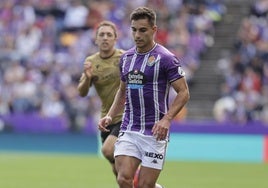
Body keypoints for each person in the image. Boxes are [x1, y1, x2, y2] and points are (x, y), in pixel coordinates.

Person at [98, 7, 190, 188]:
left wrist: (167, 119)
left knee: (144, 185)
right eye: (134, 30)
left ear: (154, 30)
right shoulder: (126, 58)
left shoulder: (166, 58)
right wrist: (110, 115)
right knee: (124, 178)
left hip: (154, 132)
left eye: (142, 30)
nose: (137, 35)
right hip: (129, 128)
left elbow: (184, 92)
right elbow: (122, 91)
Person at [77, 20, 124, 176]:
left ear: (115, 39)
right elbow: (82, 92)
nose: (105, 38)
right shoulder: (91, 61)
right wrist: (88, 77)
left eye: (109, 35)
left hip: (126, 116)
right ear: (96, 39)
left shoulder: (125, 58)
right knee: (116, 170)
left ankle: (140, 177)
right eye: (101, 35)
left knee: (107, 150)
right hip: (106, 119)